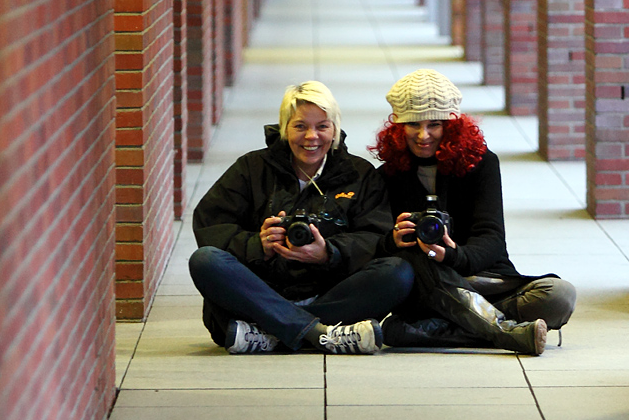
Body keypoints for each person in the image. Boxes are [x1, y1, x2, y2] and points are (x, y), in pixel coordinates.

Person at [189, 81, 413, 354]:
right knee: (205, 260)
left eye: (322, 126)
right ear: (284, 128)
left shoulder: (359, 173)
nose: (311, 137)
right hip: (263, 289)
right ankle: (322, 334)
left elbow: (376, 236)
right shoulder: (251, 168)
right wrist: (258, 245)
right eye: (300, 126)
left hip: (330, 293)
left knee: (398, 273)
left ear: (335, 130)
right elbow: (211, 224)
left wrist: (329, 253)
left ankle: (271, 332)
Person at [370, 69, 576, 355]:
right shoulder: (387, 176)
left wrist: (454, 255)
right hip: (429, 286)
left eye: (434, 124)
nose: (423, 134)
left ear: (452, 126)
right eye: (413, 124)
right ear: (398, 128)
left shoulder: (481, 165)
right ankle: (505, 331)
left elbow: (492, 238)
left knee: (560, 296)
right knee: (420, 258)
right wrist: (393, 239)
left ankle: (448, 329)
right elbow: (372, 244)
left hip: (480, 277)